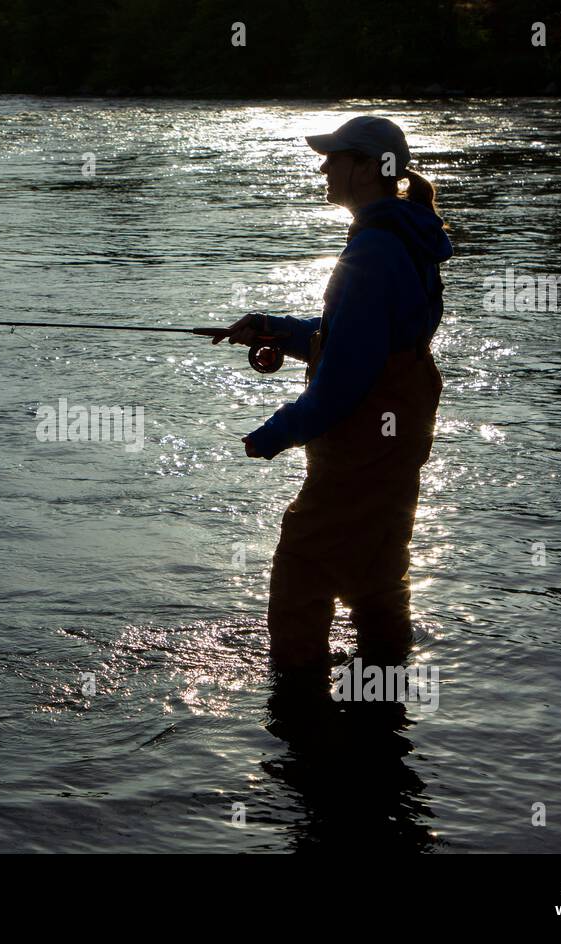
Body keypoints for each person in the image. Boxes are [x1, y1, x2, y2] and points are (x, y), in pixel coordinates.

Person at [217, 115, 452, 688]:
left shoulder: (373, 251)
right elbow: (367, 341)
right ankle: (385, 698)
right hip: (397, 437)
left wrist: (273, 433)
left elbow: (345, 382)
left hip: (364, 441)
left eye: (335, 156)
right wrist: (278, 330)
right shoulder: (404, 233)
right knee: (378, 569)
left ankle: (298, 707)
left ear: (371, 168)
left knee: (304, 568)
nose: (323, 166)